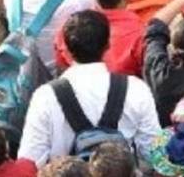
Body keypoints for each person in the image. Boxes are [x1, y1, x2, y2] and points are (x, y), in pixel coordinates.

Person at [18, 10, 162, 165]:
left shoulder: (45, 96)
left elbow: (30, 161)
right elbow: (154, 154)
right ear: (108, 44)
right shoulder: (136, 90)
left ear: (66, 48)